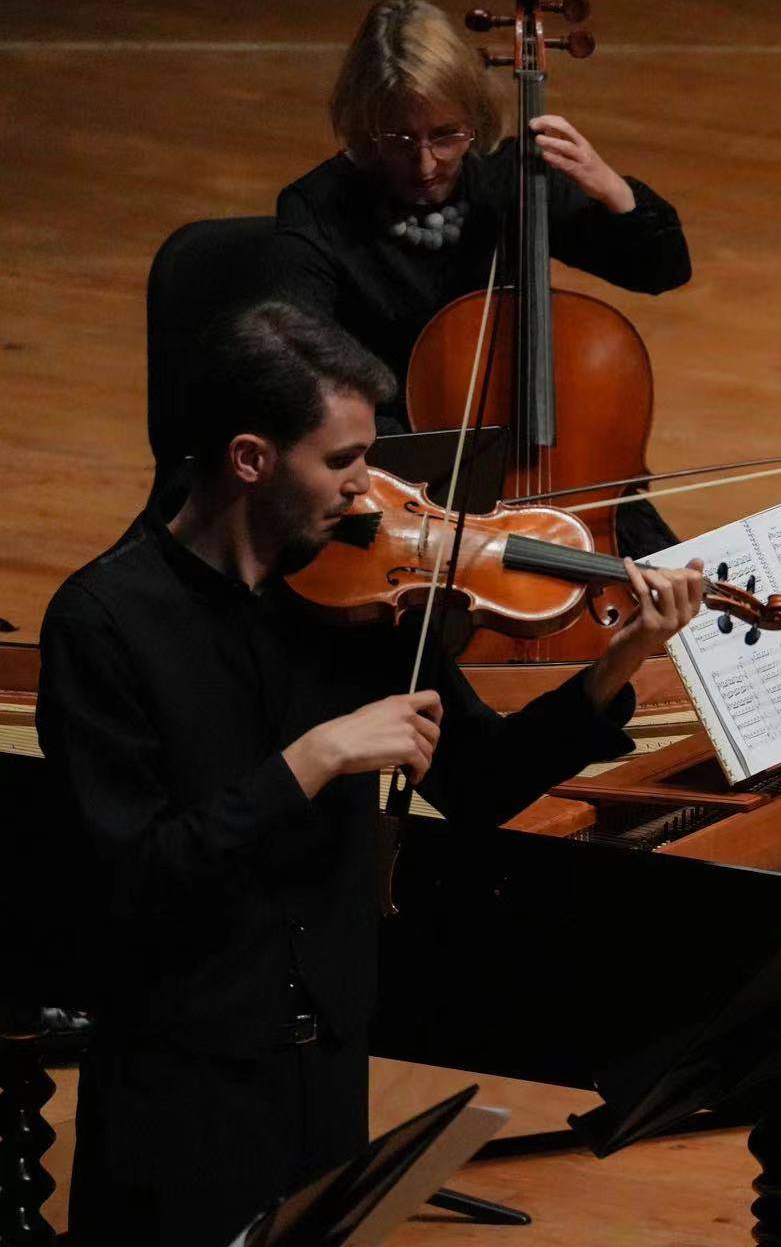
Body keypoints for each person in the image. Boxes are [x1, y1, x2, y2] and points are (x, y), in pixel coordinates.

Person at [37, 301, 705, 1245]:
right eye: (343, 462)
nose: (369, 491)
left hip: (328, 1054)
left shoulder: (356, 596)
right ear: (249, 459)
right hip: (184, 1082)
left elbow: (477, 785)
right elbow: (133, 883)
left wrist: (617, 663)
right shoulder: (106, 624)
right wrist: (312, 760)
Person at [266, 0, 693, 554]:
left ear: (474, 119)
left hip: (550, 479)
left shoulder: (510, 177)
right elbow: (301, 375)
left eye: (447, 135)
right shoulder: (318, 209)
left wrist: (611, 189)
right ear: (365, 129)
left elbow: (662, 270)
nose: (425, 164)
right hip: (401, 483)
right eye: (399, 140)